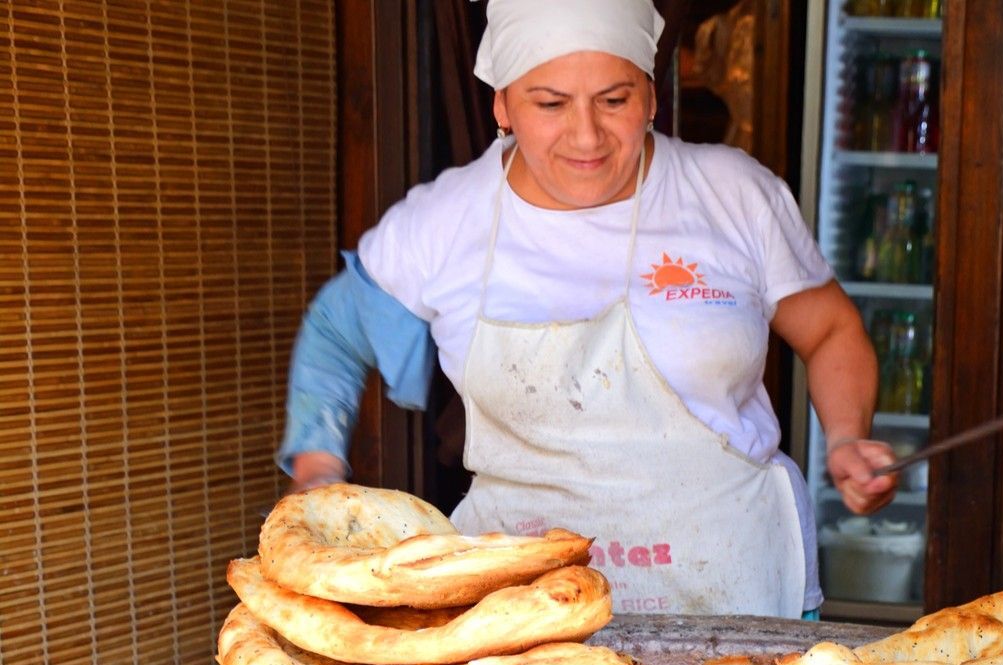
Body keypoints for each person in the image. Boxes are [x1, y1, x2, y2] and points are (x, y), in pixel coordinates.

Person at [279, 0, 898, 619]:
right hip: (523, 613)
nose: (586, 136)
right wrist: (317, 475)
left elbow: (830, 331)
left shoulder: (731, 193)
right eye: (550, 104)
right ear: (502, 105)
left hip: (734, 589)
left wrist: (847, 437)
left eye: (614, 99)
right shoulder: (444, 222)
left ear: (650, 96)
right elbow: (336, 331)